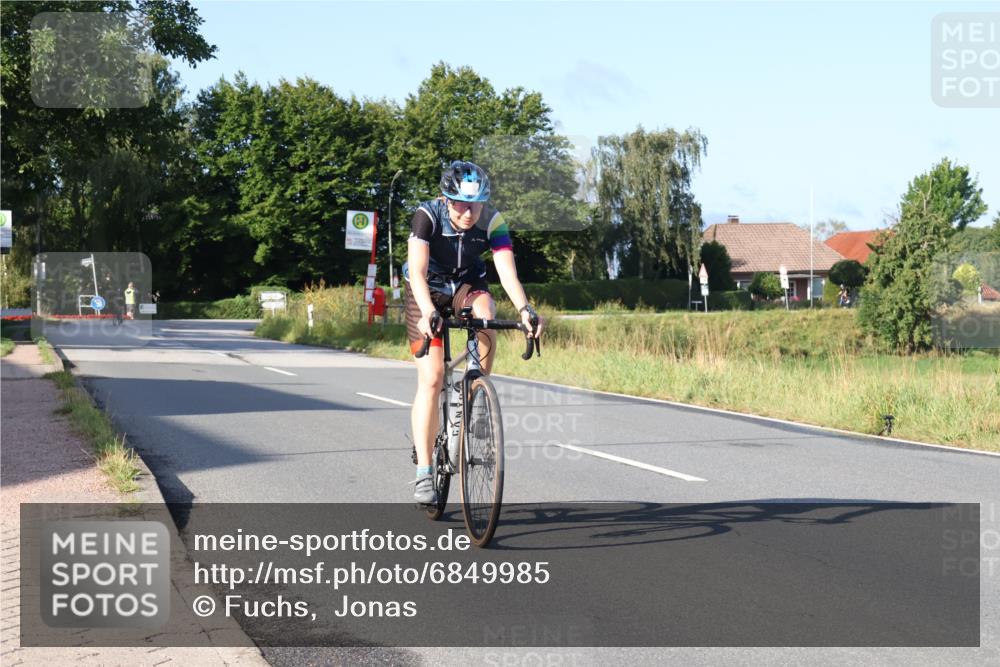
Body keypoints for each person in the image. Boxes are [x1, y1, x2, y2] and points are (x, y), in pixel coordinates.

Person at [403, 160, 542, 504]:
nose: (469, 213)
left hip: (467, 285)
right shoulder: (427, 216)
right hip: (427, 290)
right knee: (433, 377)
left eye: (476, 203)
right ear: (446, 199)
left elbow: (507, 272)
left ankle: (476, 392)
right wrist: (430, 313)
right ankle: (423, 472)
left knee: (486, 313)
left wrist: (525, 310)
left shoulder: (493, 221)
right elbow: (417, 273)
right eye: (462, 204)